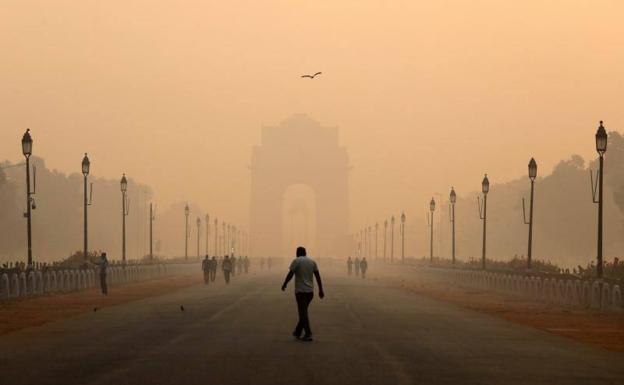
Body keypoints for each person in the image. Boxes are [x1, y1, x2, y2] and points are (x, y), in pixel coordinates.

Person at [281, 246, 324, 342]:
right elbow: (318, 276)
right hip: (310, 293)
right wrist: (321, 290)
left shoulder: (296, 261)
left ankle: (308, 333)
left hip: (300, 292)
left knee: (303, 313)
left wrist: (284, 284)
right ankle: (297, 331)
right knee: (303, 312)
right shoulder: (312, 262)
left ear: (297, 253)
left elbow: (290, 274)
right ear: (305, 253)